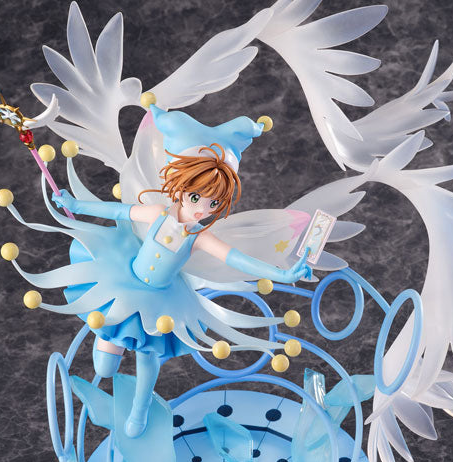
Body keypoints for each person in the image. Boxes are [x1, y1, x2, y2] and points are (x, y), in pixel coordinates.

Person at [52, 143, 312, 437]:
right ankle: (109, 345)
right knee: (104, 368)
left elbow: (236, 258)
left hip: (161, 300)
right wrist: (76, 206)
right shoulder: (158, 213)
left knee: (148, 355)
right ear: (183, 188)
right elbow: (118, 210)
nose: (201, 209)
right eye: (196, 197)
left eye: (213, 204)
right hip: (125, 282)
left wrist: (282, 273)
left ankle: (140, 408)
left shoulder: (199, 236)